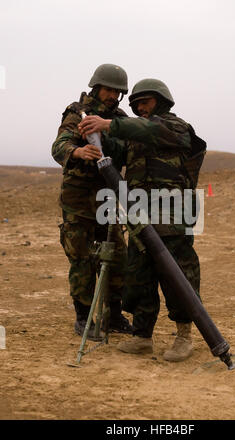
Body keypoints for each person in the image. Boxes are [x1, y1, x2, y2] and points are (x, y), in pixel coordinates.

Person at [78, 79, 206, 361]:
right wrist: (92, 136)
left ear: (161, 101)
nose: (139, 109)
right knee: (139, 276)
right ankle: (142, 336)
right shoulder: (136, 136)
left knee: (178, 276)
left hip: (174, 215)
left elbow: (147, 129)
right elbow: (117, 148)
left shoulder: (175, 127)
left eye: (144, 103)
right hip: (139, 215)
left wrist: (108, 125)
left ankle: (184, 336)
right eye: (135, 105)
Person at [52, 64, 133, 340]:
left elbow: (129, 151)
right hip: (78, 199)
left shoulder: (119, 118)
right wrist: (77, 151)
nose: (112, 95)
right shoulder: (78, 113)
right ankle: (83, 317)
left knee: (118, 258)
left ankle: (113, 315)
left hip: (108, 198)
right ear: (97, 87)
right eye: (109, 89)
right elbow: (59, 146)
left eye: (117, 91)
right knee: (82, 259)